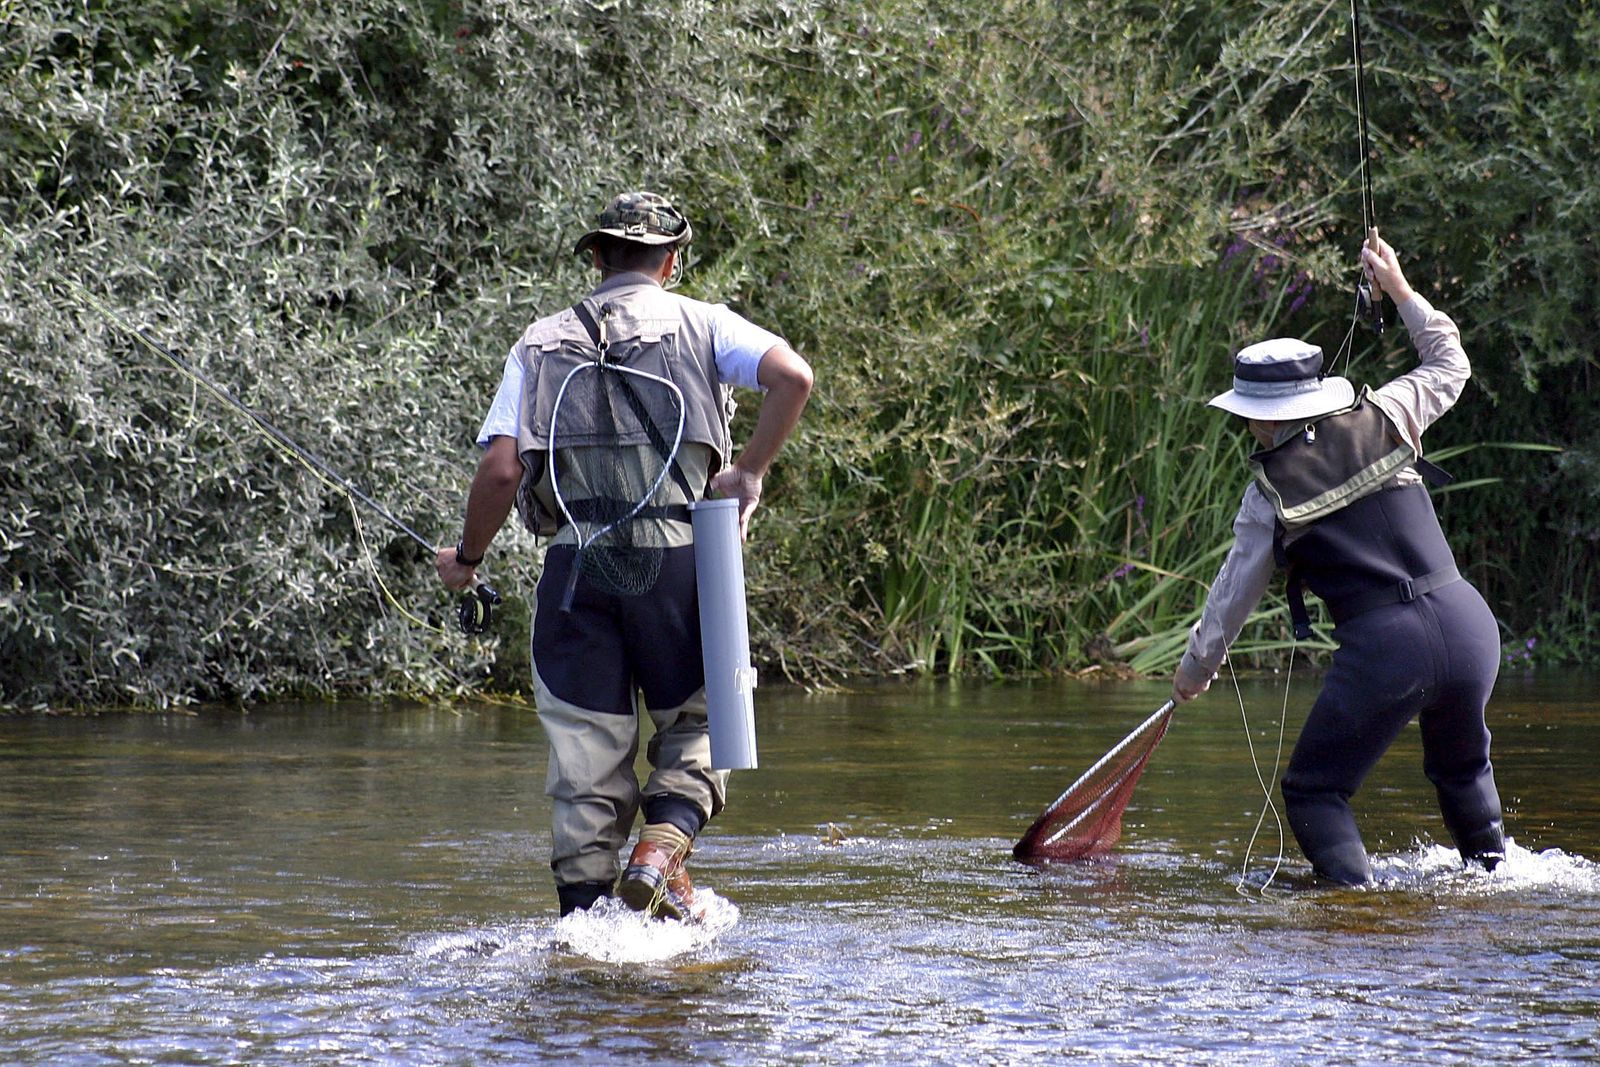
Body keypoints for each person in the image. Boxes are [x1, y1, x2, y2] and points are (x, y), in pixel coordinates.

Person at [437, 191, 813, 919]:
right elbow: (793, 377)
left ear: (597, 256)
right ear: (670, 262)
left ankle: (584, 933)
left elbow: (502, 470)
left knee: (585, 760)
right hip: (683, 563)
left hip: (578, 573)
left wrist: (468, 559)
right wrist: (752, 469)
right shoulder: (704, 323)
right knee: (701, 722)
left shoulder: (537, 343)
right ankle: (661, 843)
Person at [1170, 237, 1506, 886]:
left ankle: (1356, 914)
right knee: (1463, 770)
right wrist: (1402, 290)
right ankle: (1495, 887)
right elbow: (1450, 362)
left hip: (1388, 649)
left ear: (1262, 420)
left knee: (1314, 791)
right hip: (1470, 624)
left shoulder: (1267, 493)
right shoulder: (1388, 412)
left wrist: (1194, 672)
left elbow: (1230, 599)